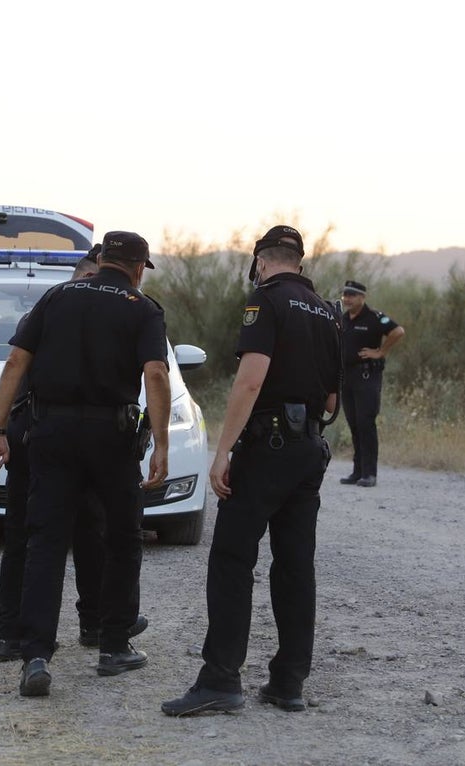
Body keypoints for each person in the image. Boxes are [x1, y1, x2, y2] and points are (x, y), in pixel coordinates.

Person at [0, 231, 170, 698]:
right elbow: (156, 373)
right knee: (122, 536)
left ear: (101, 258)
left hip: (51, 432)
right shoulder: (142, 307)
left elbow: (15, 363)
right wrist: (162, 443)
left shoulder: (56, 297)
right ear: (140, 267)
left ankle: (36, 655)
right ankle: (113, 645)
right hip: (112, 435)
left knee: (45, 540)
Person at [161, 225, 341, 717]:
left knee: (232, 560)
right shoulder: (328, 311)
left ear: (262, 260)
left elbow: (250, 380)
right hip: (309, 450)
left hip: (268, 447)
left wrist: (222, 452)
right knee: (295, 565)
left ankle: (221, 678)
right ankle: (288, 682)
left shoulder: (265, 301)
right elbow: (330, 399)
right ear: (299, 262)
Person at [337, 279, 404, 488]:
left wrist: (381, 351)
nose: (347, 299)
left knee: (366, 423)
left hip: (367, 377)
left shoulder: (376, 317)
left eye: (352, 295)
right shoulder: (344, 319)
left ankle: (370, 473)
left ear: (362, 297)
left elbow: (398, 331)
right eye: (345, 295)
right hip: (347, 377)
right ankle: (357, 472)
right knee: (354, 424)